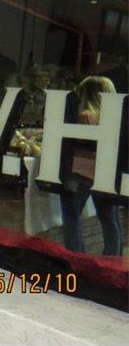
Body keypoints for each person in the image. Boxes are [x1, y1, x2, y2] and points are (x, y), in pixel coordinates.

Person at [60, 75, 123, 256]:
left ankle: (76, 258)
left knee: (71, 217)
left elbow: (80, 149)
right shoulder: (114, 118)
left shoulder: (85, 116)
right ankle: (113, 259)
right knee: (109, 219)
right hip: (105, 173)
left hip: (81, 173)